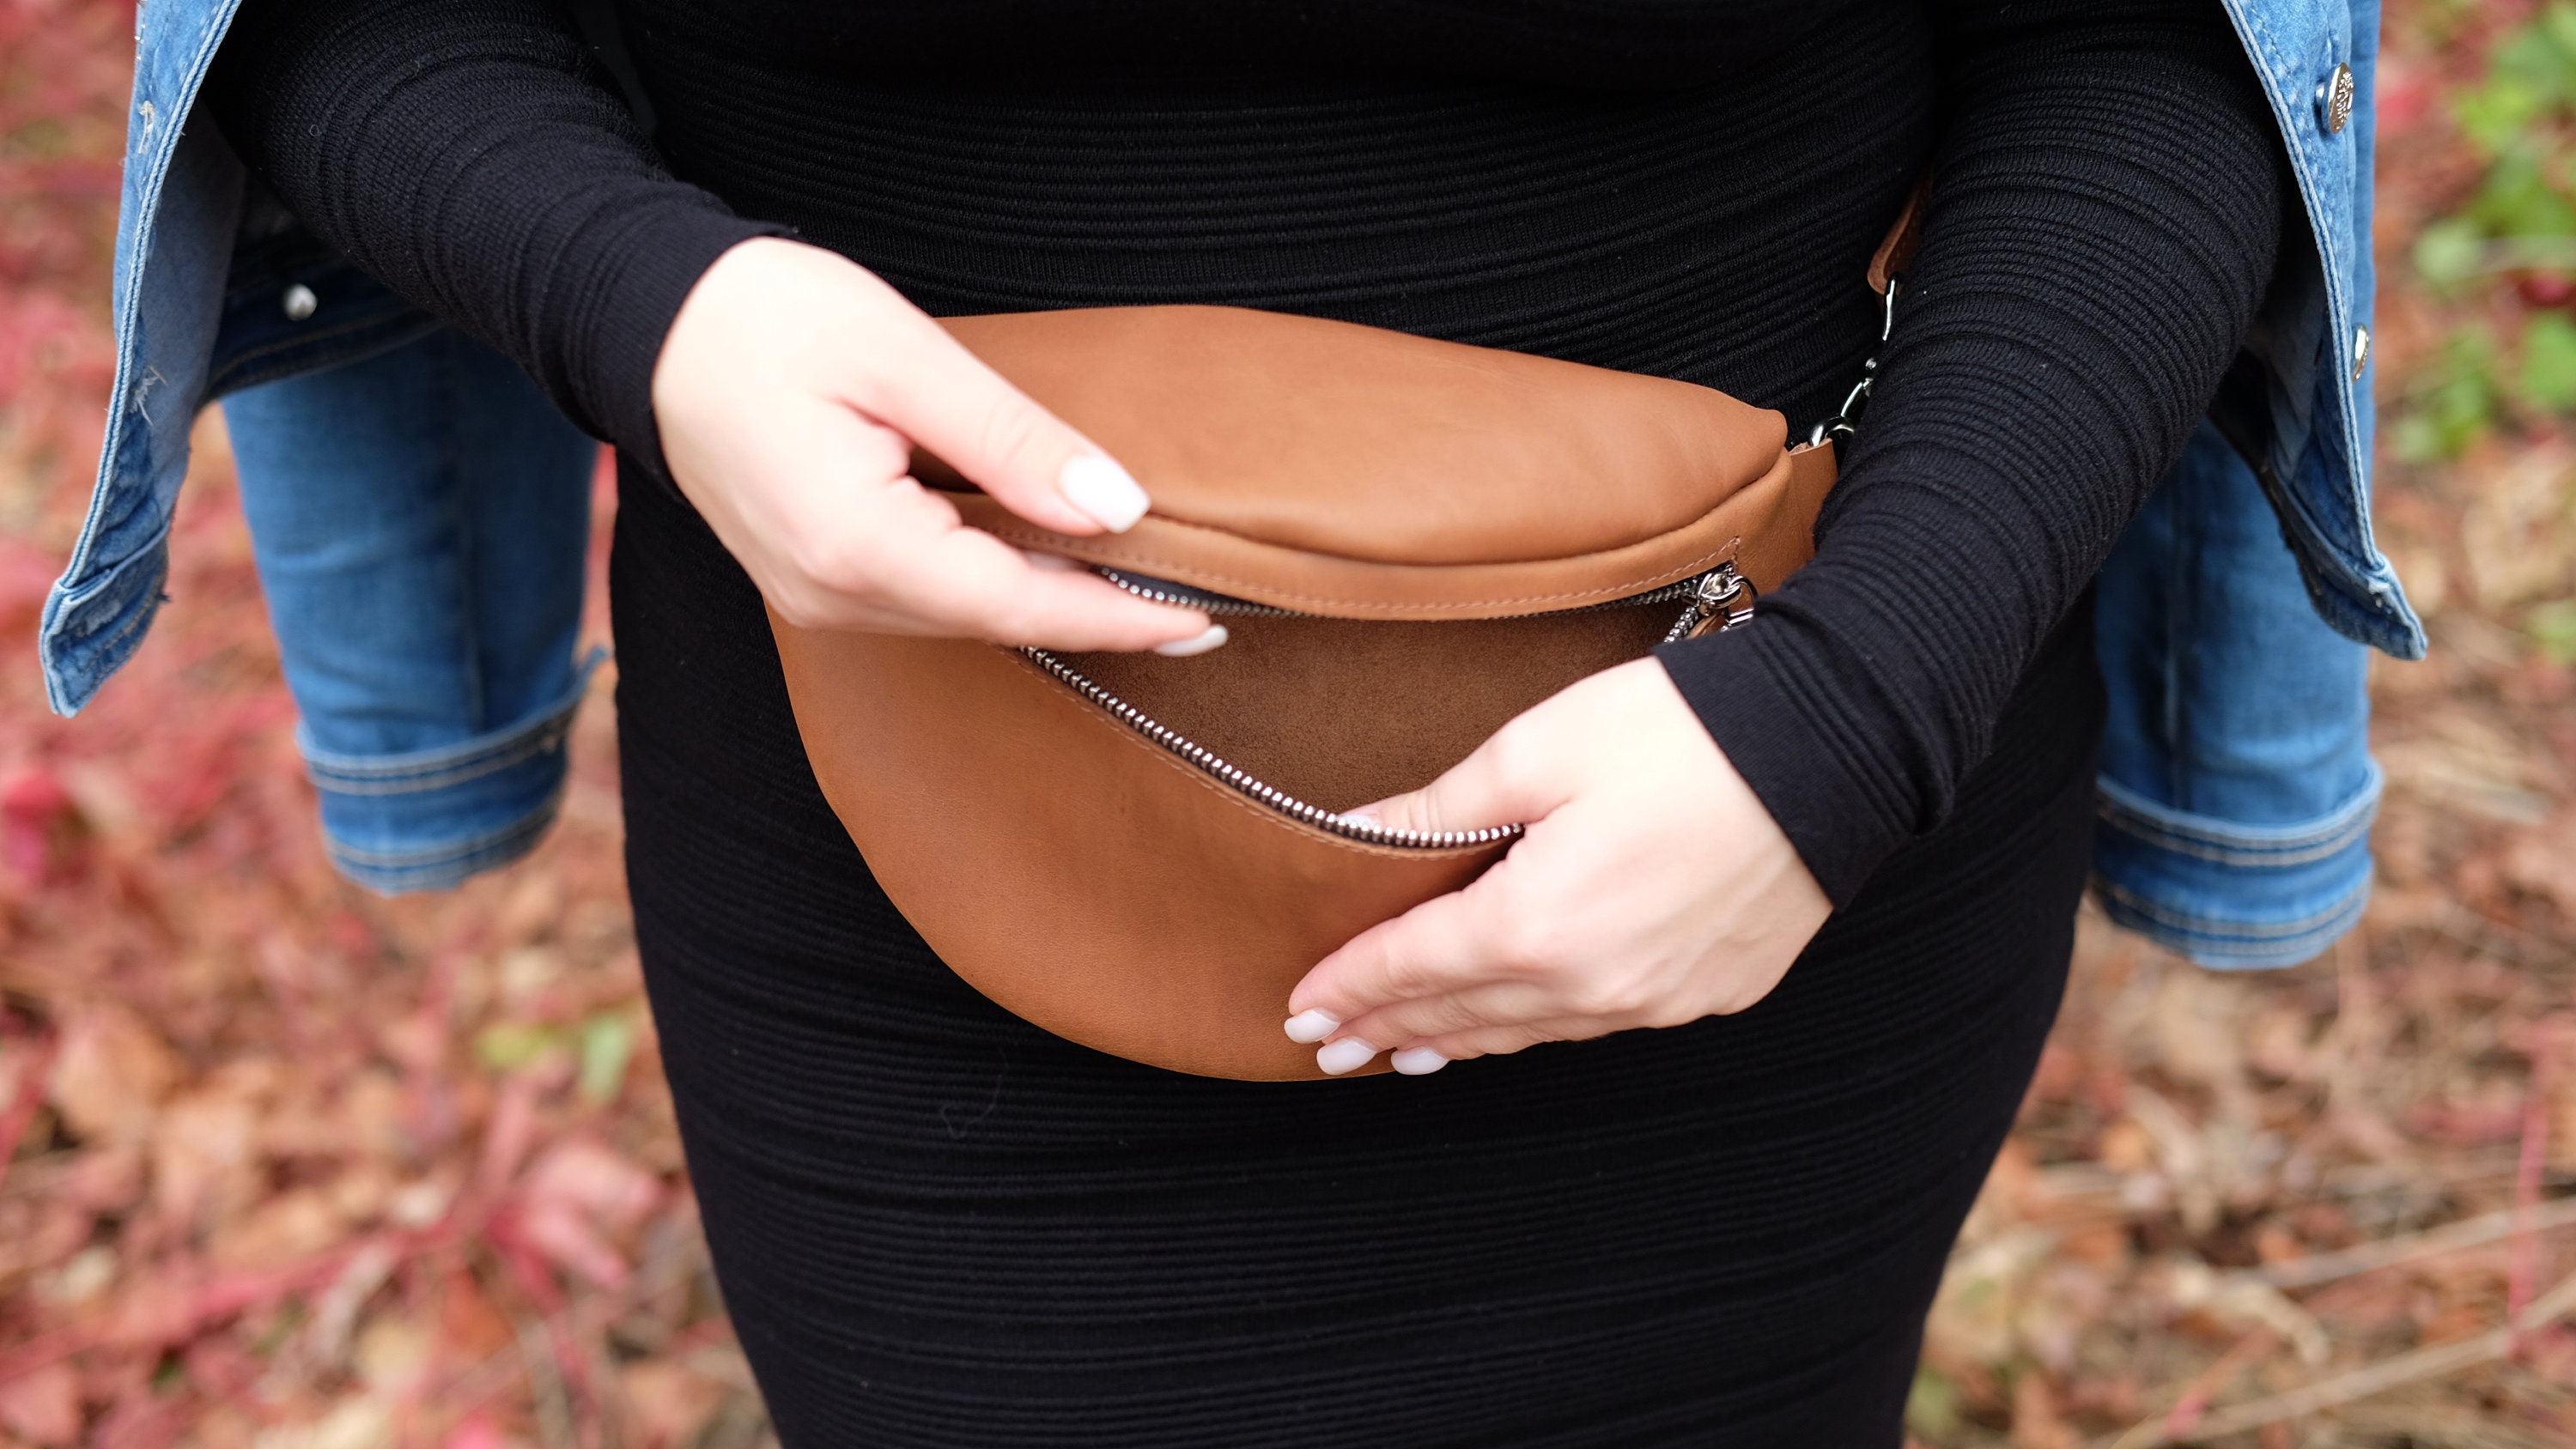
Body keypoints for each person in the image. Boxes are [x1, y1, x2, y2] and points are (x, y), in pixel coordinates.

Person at [40, 0, 2415, 1441]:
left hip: (1758, 830)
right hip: (901, 870)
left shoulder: (1818, 752)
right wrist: (641, 302)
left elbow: (2151, 47)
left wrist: (1855, 713)